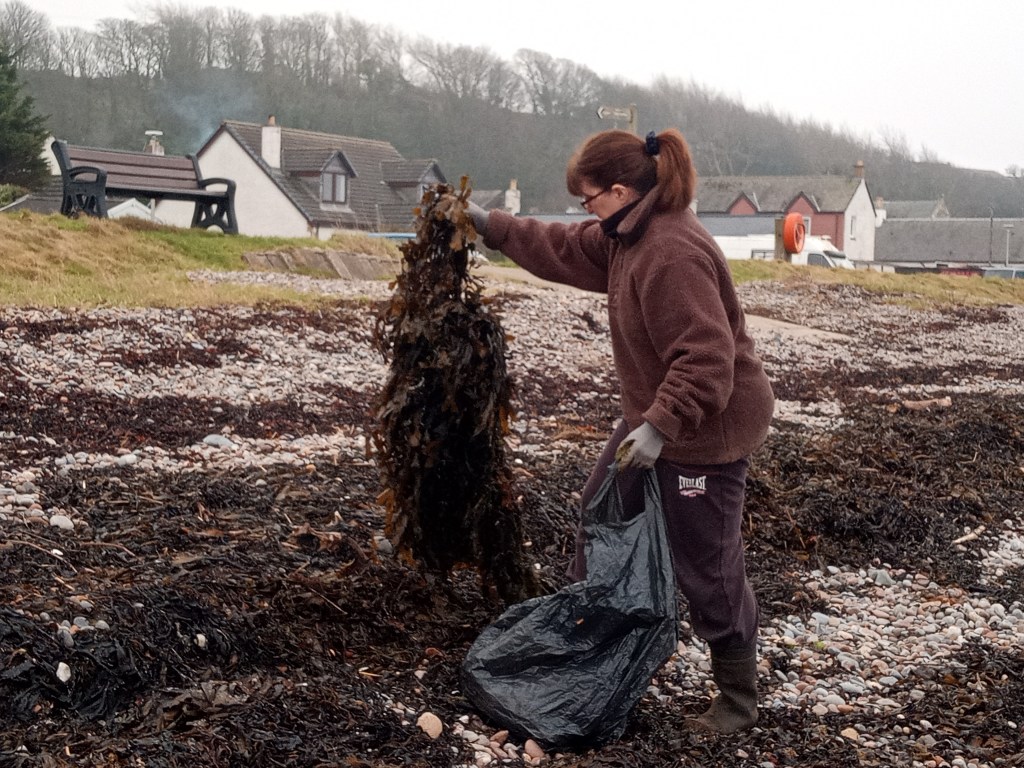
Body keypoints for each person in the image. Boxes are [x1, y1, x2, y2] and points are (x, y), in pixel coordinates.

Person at [467, 128, 775, 735]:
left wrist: (660, 428)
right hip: (656, 417)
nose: (584, 212)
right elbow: (564, 246)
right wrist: (489, 225)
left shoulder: (671, 252)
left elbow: (707, 360)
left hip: (706, 431)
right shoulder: (626, 234)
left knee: (706, 564)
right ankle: (591, 651)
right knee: (600, 511)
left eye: (588, 199)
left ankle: (738, 697)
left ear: (617, 190)